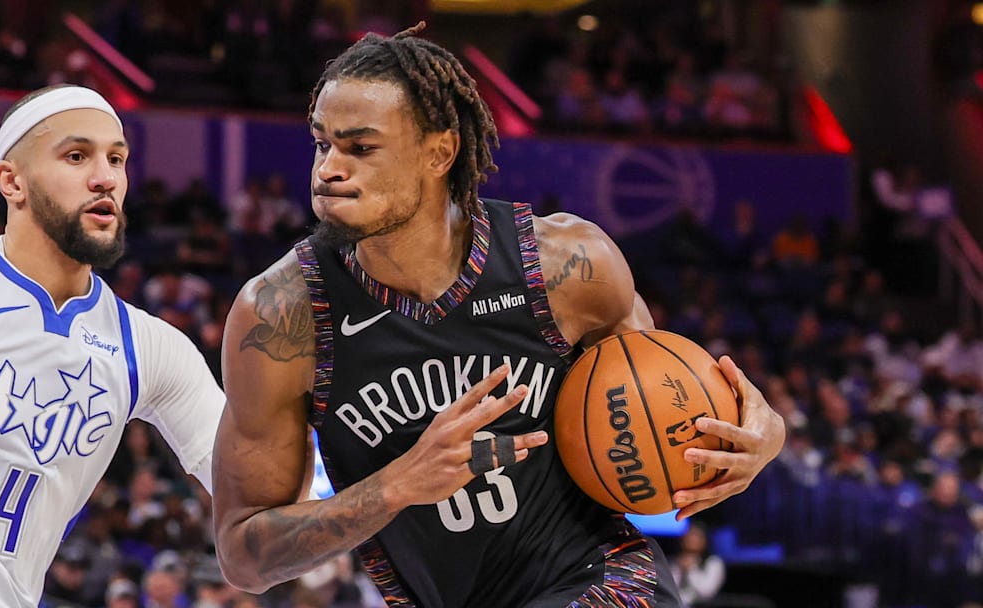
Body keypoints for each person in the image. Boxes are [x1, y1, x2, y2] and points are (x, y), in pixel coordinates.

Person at [214, 24, 785, 607]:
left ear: (439, 152)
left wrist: (759, 437)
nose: (329, 169)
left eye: (360, 148)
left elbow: (670, 409)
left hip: (600, 579)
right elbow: (241, 556)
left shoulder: (567, 265)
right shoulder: (283, 317)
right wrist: (395, 486)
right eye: (321, 144)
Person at [0, 84, 225, 607]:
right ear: (12, 180)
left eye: (117, 158)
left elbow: (267, 487)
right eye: (77, 156)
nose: (106, 177)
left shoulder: (149, 349)